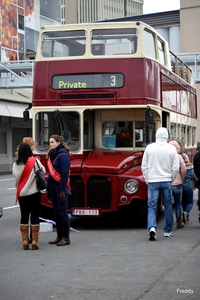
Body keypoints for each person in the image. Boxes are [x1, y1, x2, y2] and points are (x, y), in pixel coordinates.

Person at [142, 127, 179, 241]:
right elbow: (176, 167)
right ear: (166, 136)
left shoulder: (149, 148)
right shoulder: (171, 148)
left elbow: (144, 166)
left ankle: (152, 228)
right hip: (166, 180)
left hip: (153, 181)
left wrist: (148, 179)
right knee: (167, 205)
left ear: (156, 135)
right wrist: (171, 178)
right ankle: (167, 230)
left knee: (152, 206)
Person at [12, 143, 46, 250]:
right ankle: (35, 241)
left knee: (24, 215)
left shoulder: (15, 165)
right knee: (35, 215)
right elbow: (43, 171)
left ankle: (25, 241)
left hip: (22, 194)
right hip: (34, 193)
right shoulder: (34, 161)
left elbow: (15, 177)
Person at [46, 135, 71, 246]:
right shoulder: (52, 154)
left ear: (58, 143)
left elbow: (65, 174)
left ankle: (66, 238)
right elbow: (50, 174)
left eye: (52, 142)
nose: (50, 144)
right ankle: (59, 236)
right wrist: (48, 189)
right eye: (50, 142)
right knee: (56, 212)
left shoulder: (63, 155)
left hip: (60, 187)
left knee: (62, 212)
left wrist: (62, 190)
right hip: (53, 186)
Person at [168, 140, 186, 228]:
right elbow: (183, 169)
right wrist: (182, 179)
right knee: (178, 203)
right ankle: (179, 221)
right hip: (178, 183)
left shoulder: (165, 156)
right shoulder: (179, 156)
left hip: (168, 183)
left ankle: (169, 221)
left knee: (169, 203)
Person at [182, 154, 196, 223]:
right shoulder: (190, 167)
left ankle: (186, 217)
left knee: (184, 202)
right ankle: (186, 212)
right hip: (188, 187)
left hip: (180, 187)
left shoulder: (179, 166)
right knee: (190, 202)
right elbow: (194, 177)